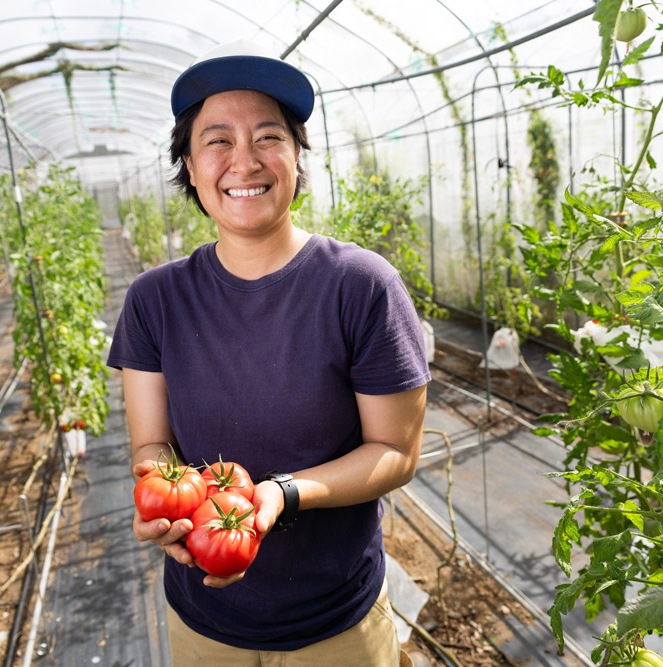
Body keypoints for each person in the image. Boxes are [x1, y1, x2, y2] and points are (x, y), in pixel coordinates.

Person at [107, 39, 430, 666]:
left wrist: (284, 493)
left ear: (297, 158)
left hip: (337, 623)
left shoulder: (361, 285)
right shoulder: (154, 300)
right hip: (203, 620)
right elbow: (150, 446)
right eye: (218, 140)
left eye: (269, 137)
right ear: (190, 166)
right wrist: (166, 500)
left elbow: (395, 451)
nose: (244, 161)